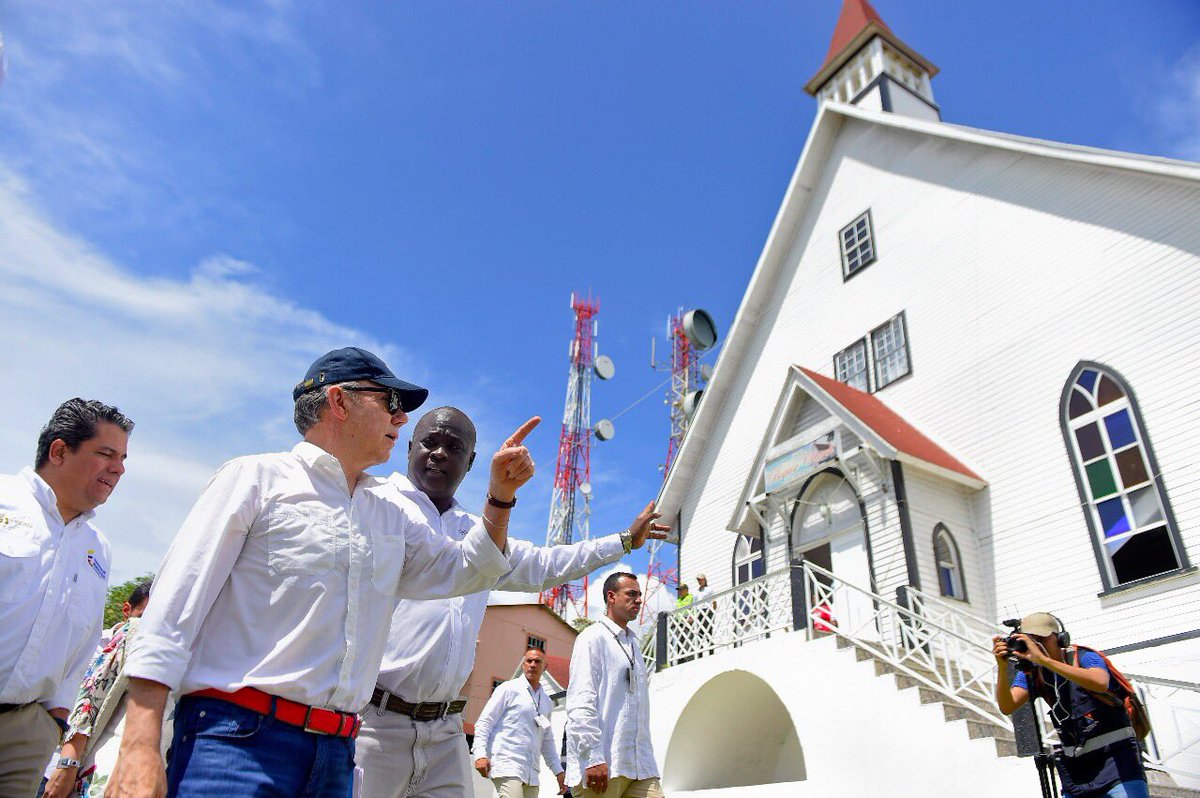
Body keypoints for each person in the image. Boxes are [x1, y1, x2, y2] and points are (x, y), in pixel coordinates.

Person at [108, 347, 539, 798]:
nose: (402, 419)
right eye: (390, 403)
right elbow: (172, 611)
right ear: (339, 401)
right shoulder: (255, 479)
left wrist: (500, 497)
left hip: (338, 754)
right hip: (236, 740)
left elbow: (468, 570)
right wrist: (140, 742)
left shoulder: (389, 514)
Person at [356, 406, 668, 798]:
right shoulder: (375, 504)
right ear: (408, 449)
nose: (439, 453)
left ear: (470, 464)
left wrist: (623, 541)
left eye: (453, 447)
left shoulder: (480, 532)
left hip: (446, 732)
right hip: (376, 724)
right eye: (429, 442)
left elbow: (546, 563)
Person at [0, 398, 133, 796]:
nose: (119, 468)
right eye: (106, 454)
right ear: (59, 451)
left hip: (26, 734)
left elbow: (84, 639)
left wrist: (56, 719)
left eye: (123, 458)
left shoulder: (97, 549)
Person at [992, 612, 1148, 798]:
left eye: (1042, 639)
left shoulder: (1083, 656)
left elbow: (1099, 682)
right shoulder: (1033, 673)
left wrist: (1045, 661)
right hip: (1077, 774)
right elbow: (1007, 705)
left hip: (1118, 766)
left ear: (1061, 639)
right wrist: (1002, 666)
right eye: (1032, 640)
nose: (1038, 645)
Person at [43, 579, 158, 798]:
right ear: (127, 610)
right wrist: (68, 763)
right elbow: (88, 704)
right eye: (144, 616)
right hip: (75, 765)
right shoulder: (125, 635)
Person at [566, 573, 662, 798]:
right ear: (611, 597)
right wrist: (593, 757)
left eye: (639, 595)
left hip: (639, 764)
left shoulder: (634, 645)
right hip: (604, 764)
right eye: (631, 594)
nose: (639, 600)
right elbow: (581, 700)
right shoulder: (592, 638)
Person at [473, 647, 566, 798]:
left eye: (537, 661)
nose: (532, 665)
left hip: (531, 772)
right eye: (529, 661)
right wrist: (480, 754)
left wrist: (559, 772)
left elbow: (547, 741)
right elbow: (484, 722)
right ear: (523, 664)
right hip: (507, 764)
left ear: (545, 667)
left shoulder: (547, 702)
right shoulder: (508, 689)